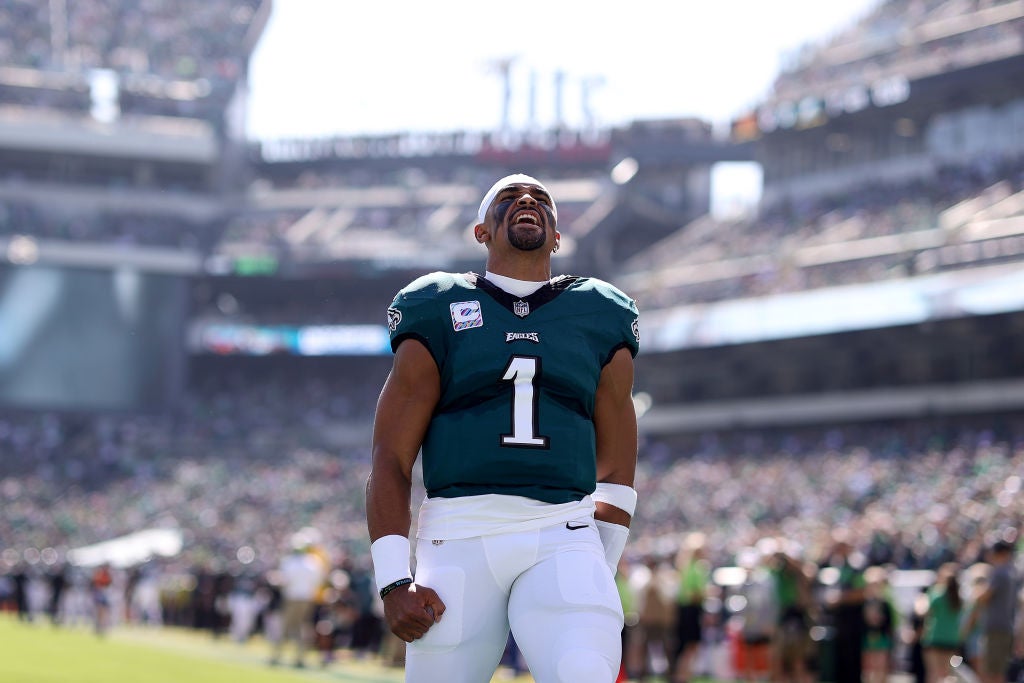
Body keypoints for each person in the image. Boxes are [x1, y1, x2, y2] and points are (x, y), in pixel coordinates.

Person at [365, 173, 641, 682]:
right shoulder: (438, 304)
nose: (527, 201)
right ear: (481, 231)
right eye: (509, 198)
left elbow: (619, 464)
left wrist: (599, 562)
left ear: (558, 236)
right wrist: (393, 581)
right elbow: (391, 457)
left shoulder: (599, 312)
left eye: (541, 199)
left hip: (565, 531)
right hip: (457, 533)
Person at [974, 540, 1021, 683]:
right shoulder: (1012, 572)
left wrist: (977, 589)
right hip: (1006, 627)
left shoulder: (999, 572)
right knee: (999, 670)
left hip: (996, 628)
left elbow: (984, 596)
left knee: (991, 671)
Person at [921, 562, 964, 683]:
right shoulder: (959, 597)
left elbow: (924, 611)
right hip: (952, 638)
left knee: (933, 673)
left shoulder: (936, 594)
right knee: (947, 672)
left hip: (935, 637)